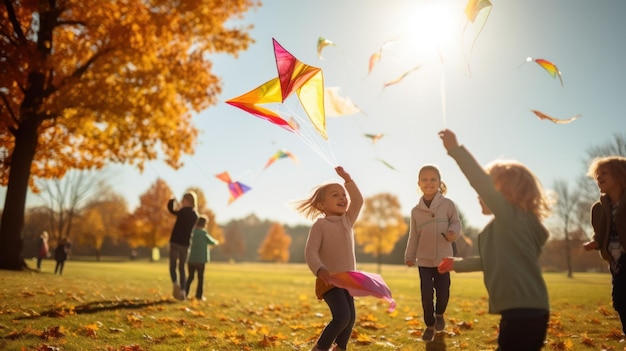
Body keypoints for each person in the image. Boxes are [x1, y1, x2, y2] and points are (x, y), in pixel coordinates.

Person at [437, 129, 552, 351]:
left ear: (505, 193)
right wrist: (457, 263)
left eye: (489, 189)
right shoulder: (510, 226)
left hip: (523, 310)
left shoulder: (514, 218)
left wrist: (455, 150)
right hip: (528, 308)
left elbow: (480, 182)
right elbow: (493, 259)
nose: (480, 195)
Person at [296, 166, 363, 351]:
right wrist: (320, 270)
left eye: (343, 195)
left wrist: (347, 180)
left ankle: (340, 348)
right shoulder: (320, 225)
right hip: (329, 280)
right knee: (342, 316)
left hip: (348, 280)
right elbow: (311, 252)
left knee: (350, 320)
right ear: (322, 205)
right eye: (335, 195)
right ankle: (320, 348)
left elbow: (358, 200)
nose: (343, 197)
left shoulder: (347, 221)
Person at [404, 164, 461, 342]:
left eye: (433, 179)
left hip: (444, 259)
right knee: (426, 295)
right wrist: (409, 256)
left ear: (439, 183)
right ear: (419, 183)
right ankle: (429, 325)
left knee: (443, 293)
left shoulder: (448, 204)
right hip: (424, 260)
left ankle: (440, 314)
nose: (429, 183)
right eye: (425, 179)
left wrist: (453, 232)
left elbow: (456, 223)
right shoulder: (415, 211)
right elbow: (413, 235)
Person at [583, 156, 626, 336]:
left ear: (620, 174)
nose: (599, 177)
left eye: (604, 173)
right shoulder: (599, 208)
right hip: (615, 261)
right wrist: (596, 242)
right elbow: (600, 233)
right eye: (597, 175)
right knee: (620, 302)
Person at [167, 191, 199, 301]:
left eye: (183, 200)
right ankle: (183, 291)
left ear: (186, 201)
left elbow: (172, 210)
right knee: (182, 268)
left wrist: (172, 201)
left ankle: (175, 283)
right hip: (185, 245)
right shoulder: (195, 215)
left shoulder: (182, 211)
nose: (181, 202)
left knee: (172, 266)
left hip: (175, 242)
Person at [185, 215, 219, 301]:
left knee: (190, 277)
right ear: (205, 224)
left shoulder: (191, 232)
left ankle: (185, 293)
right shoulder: (203, 234)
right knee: (200, 278)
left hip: (191, 259)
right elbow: (212, 242)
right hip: (200, 260)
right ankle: (199, 296)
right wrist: (217, 242)